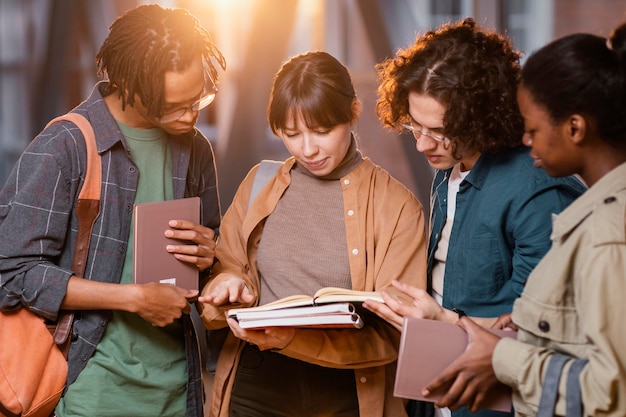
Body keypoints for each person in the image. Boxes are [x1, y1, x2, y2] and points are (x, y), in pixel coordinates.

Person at [0, 4, 226, 417]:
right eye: (174, 105)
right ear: (126, 83)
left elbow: (209, 263)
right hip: (88, 393)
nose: (191, 114)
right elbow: (12, 273)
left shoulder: (194, 150)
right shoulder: (64, 147)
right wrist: (132, 299)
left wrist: (212, 258)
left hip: (180, 393)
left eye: (199, 98)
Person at [366, 18, 586, 417]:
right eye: (414, 125)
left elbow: (546, 334)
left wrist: (443, 320)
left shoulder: (537, 190)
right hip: (439, 394)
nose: (421, 144)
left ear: (481, 117)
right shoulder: (449, 169)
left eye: (440, 131)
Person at [198, 50, 427, 417]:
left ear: (353, 113)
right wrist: (226, 283)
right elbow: (227, 268)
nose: (308, 149)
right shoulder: (259, 184)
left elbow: (397, 334)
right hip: (254, 383)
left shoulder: (397, 207)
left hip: (345, 391)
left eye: (322, 131)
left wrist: (295, 339)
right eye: (291, 134)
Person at [419, 21, 626, 417]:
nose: (525, 140)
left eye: (531, 129)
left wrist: (502, 353)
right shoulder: (449, 175)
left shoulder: (603, 230)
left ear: (575, 127)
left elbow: (608, 390)